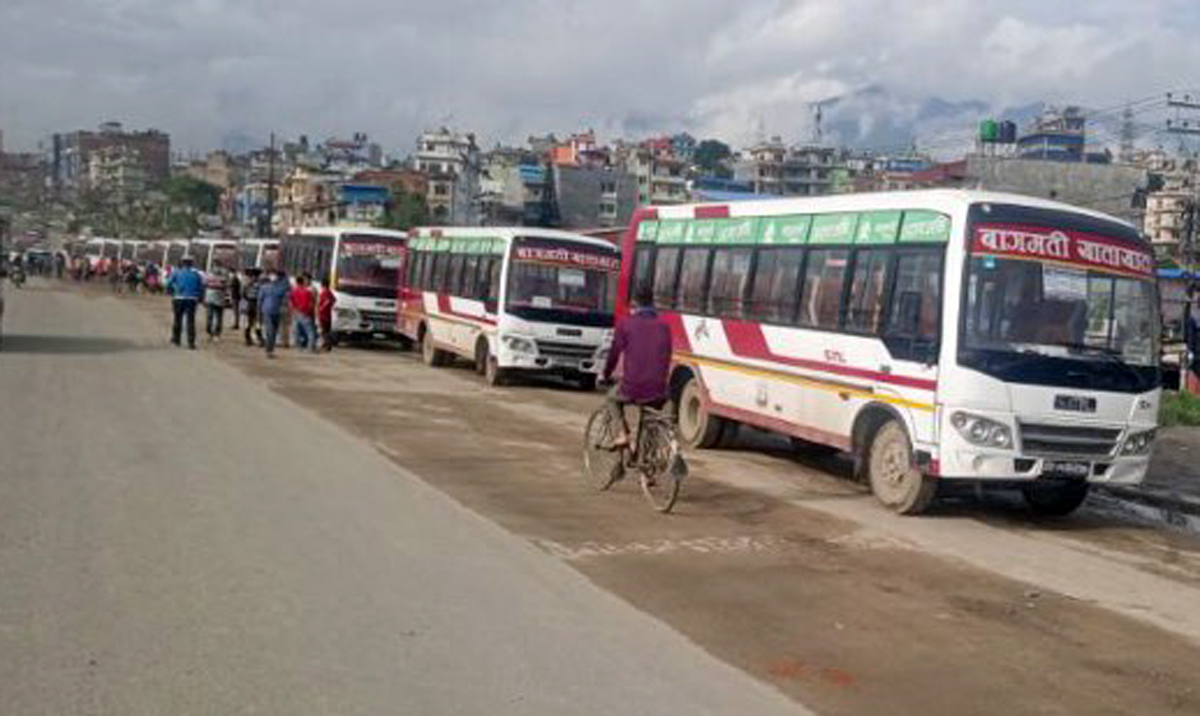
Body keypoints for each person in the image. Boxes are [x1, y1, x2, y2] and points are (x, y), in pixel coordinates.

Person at [601, 285, 673, 448]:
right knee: (649, 416)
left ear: (634, 303)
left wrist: (605, 374)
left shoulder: (626, 324)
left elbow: (614, 353)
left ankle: (621, 434)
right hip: (659, 388)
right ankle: (646, 468)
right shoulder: (664, 326)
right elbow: (667, 357)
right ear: (652, 302)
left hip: (632, 387)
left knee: (611, 398)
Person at [166, 257, 204, 349]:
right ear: (192, 264)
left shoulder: (177, 273)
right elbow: (201, 287)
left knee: (177, 319)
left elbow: (168, 283)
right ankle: (191, 342)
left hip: (179, 298)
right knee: (191, 321)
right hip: (192, 299)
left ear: (182, 263)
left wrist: (172, 291)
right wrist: (199, 297)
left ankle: (176, 340)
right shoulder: (196, 274)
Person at [258, 270, 290, 358]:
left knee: (274, 332)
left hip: (277, 312)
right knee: (270, 331)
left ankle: (270, 349)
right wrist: (259, 313)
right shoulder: (264, 287)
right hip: (267, 312)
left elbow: (287, 295)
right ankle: (268, 350)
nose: (274, 278)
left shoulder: (281, 288)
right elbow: (260, 300)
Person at [289, 274, 318, 353]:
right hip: (306, 313)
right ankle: (310, 348)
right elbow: (311, 303)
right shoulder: (308, 292)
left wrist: (293, 311)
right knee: (310, 332)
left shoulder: (293, 291)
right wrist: (308, 311)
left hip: (297, 313)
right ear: (303, 282)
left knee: (296, 331)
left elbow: (291, 302)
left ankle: (298, 347)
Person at [204, 264, 231, 341]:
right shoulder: (209, 275)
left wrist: (227, 298)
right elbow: (204, 284)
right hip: (210, 299)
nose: (217, 270)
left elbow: (227, 286)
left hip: (220, 300)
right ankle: (210, 332)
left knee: (218, 318)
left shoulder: (224, 276)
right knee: (209, 317)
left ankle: (217, 334)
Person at [241, 268, 264, 346]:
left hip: (249, 302)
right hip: (257, 303)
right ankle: (260, 339)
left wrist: (247, 299)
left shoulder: (247, 283)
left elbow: (243, 293)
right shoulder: (260, 283)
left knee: (249, 322)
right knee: (257, 322)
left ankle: (248, 339)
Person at [318, 276, 337, 352]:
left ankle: (327, 345)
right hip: (328, 314)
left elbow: (328, 301)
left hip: (324, 314)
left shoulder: (325, 292)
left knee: (324, 331)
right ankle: (326, 345)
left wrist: (322, 307)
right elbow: (333, 300)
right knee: (326, 330)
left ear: (323, 284)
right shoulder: (329, 292)